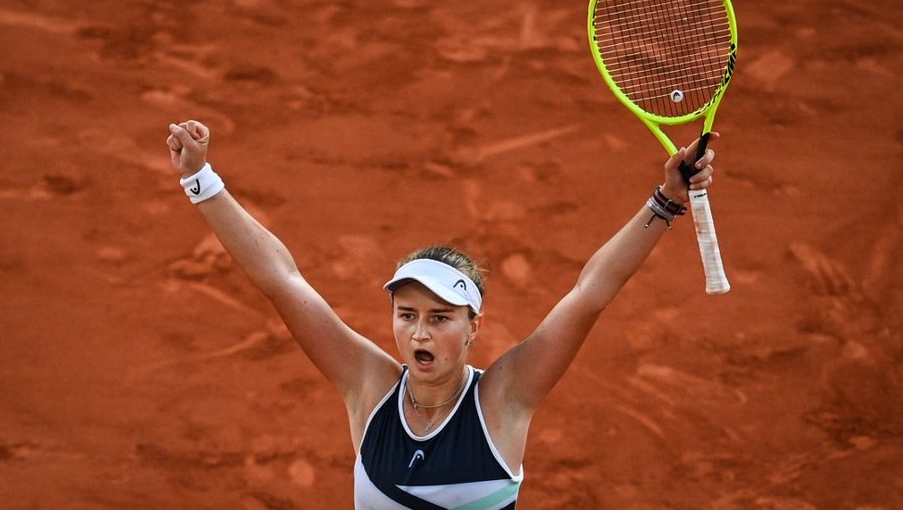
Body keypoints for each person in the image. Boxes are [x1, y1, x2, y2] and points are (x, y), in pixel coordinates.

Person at [166, 120, 718, 509]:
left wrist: (666, 200)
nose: (419, 331)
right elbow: (282, 281)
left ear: (473, 327)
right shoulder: (368, 387)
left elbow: (591, 291)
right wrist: (201, 180)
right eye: (407, 314)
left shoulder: (505, 399)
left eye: (440, 317)